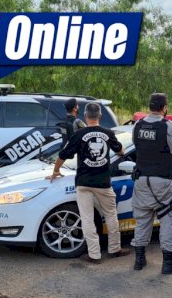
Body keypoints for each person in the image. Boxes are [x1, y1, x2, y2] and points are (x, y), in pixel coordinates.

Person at [47, 102, 127, 263]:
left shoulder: (79, 134)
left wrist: (55, 171)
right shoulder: (108, 133)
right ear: (100, 116)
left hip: (83, 183)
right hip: (103, 183)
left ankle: (94, 255)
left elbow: (63, 155)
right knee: (111, 216)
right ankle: (114, 249)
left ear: (85, 116)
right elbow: (120, 150)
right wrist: (118, 150)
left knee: (87, 219)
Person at [130, 93, 172, 274]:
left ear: (149, 106)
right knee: (167, 221)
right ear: (165, 107)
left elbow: (136, 146)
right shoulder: (170, 126)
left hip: (141, 180)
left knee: (142, 221)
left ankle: (139, 260)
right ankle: (168, 263)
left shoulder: (137, 125)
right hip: (162, 180)